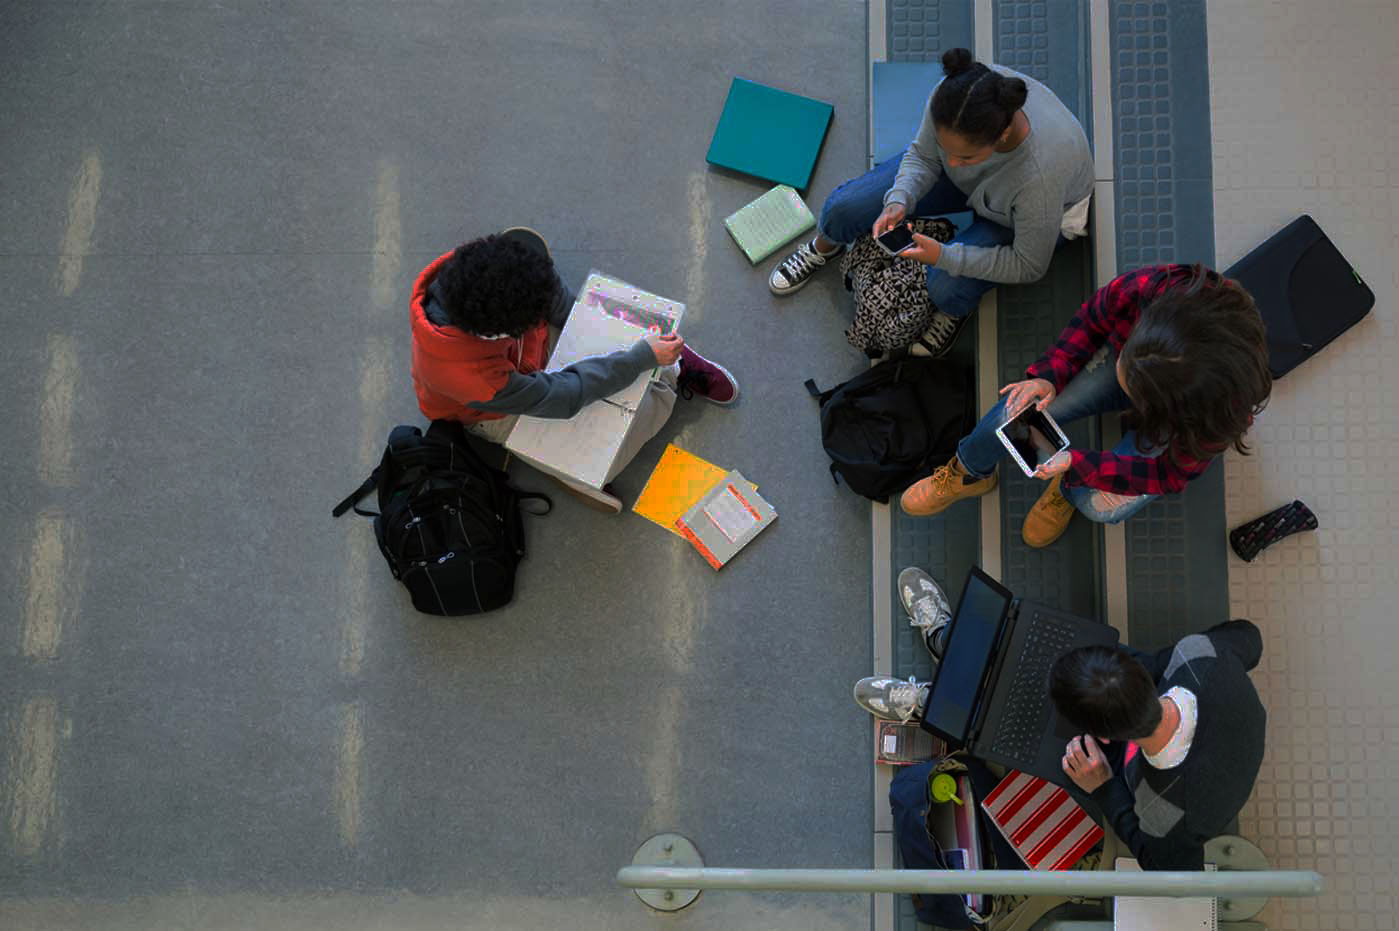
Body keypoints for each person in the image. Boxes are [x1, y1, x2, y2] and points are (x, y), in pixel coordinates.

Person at [899, 264, 1273, 547]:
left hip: (1176, 418)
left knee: (1095, 504)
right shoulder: (1162, 288)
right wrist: (1050, 375)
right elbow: (1097, 315)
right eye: (1124, 359)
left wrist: (1080, 465)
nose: (1119, 373)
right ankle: (968, 474)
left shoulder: (1216, 417)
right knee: (1016, 410)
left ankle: (1066, 489)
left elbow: (1167, 475)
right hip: (1156, 377)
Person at [769, 47, 1094, 357]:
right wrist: (899, 199)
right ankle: (825, 246)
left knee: (944, 287)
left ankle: (955, 309)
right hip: (987, 186)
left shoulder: (1040, 179)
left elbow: (1028, 264)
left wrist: (943, 256)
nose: (950, 163)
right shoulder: (953, 97)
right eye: (945, 148)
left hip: (1025, 215)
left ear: (1003, 135)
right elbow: (924, 156)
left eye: (964, 156)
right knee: (845, 207)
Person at [410, 228, 738, 511]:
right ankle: (574, 471)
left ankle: (665, 355)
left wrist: (593, 328)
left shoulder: (490, 266)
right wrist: (638, 359)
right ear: (504, 333)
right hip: (491, 409)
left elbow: (557, 301)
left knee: (613, 348)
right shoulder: (472, 378)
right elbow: (563, 396)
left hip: (518, 363)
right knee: (603, 434)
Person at [1050, 620, 1267, 870]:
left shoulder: (1161, 811)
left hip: (1190, 797)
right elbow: (1251, 639)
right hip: (1232, 732)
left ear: (1102, 736)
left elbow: (1165, 868)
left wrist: (1104, 788)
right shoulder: (1196, 653)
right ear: (1141, 672)